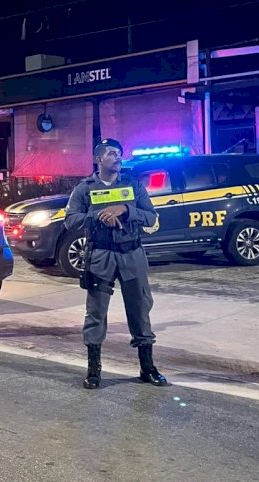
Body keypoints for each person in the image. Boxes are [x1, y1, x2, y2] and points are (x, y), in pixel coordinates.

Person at [64, 138, 167, 389]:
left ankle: (147, 367)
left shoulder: (133, 185)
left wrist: (125, 209)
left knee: (140, 308)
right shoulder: (84, 188)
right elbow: (70, 220)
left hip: (132, 253)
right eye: (111, 153)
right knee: (96, 311)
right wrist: (97, 215)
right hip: (101, 254)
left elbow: (151, 216)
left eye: (119, 153)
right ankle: (94, 370)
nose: (117, 157)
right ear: (98, 159)